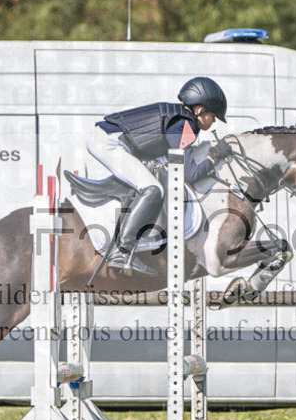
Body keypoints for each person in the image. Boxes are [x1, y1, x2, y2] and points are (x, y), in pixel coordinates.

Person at [88, 77, 233, 276]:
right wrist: (214, 156)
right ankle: (121, 252)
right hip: (109, 143)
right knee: (152, 189)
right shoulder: (184, 125)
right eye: (213, 115)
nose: (214, 120)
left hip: (111, 139)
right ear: (200, 111)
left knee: (152, 183)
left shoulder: (180, 120)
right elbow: (190, 173)